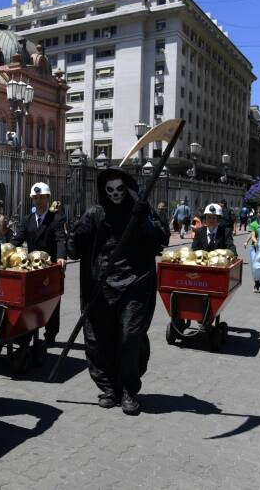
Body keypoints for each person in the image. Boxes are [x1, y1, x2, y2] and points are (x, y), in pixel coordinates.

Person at [67, 167, 169, 416]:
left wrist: (143, 219)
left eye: (120, 189)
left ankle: (129, 390)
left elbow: (161, 238)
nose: (115, 194)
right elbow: (75, 247)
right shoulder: (95, 214)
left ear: (128, 189)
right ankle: (109, 388)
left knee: (129, 337)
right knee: (100, 338)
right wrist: (76, 235)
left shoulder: (141, 210)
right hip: (101, 286)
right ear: (104, 190)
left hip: (135, 283)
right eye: (110, 190)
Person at [10, 181, 67, 345]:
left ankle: (50, 335)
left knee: (52, 302)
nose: (38, 201)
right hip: (32, 268)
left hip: (50, 268)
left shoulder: (56, 218)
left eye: (41, 197)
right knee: (31, 302)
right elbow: (17, 240)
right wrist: (4, 251)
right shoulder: (27, 219)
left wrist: (62, 257)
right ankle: (30, 331)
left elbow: (60, 239)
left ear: (48, 198)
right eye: (35, 198)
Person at [245, 206, 260, 294]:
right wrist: (255, 241)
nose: (259, 214)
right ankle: (256, 284)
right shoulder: (253, 224)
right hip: (255, 248)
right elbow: (252, 235)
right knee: (255, 267)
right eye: (258, 213)